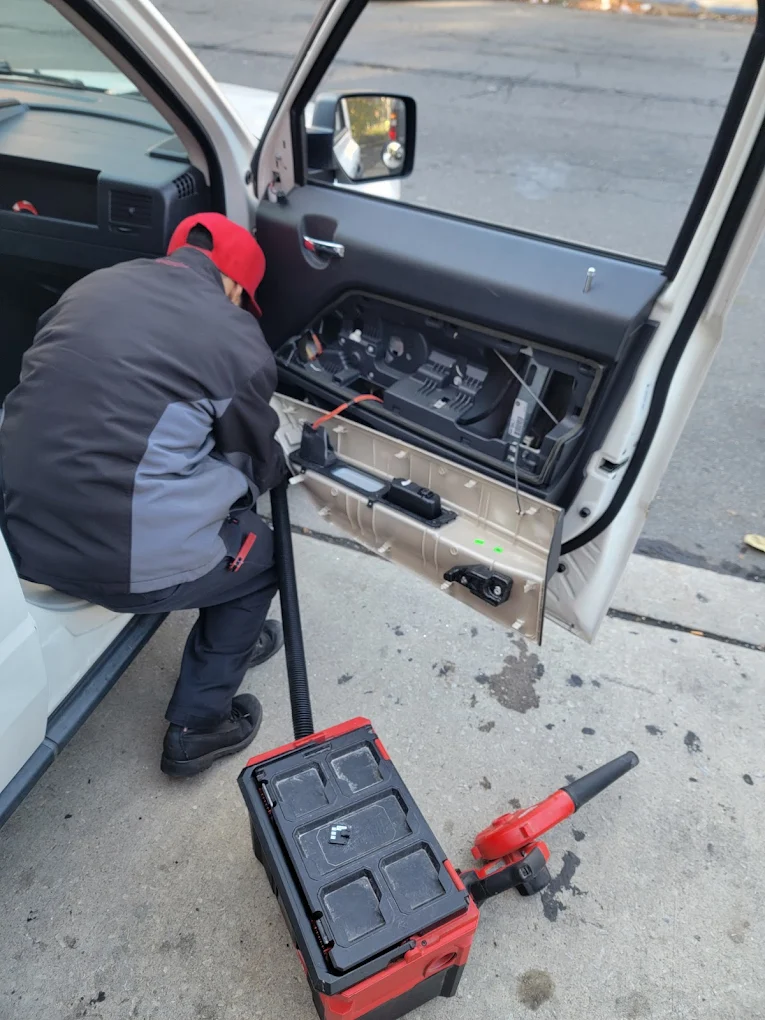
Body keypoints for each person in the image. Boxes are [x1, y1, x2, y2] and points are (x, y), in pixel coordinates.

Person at [0, 213, 287, 777]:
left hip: (18, 531)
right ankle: (198, 726)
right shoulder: (233, 335)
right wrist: (277, 464)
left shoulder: (93, 286)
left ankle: (230, 643)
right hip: (113, 560)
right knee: (259, 554)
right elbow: (254, 457)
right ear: (234, 284)